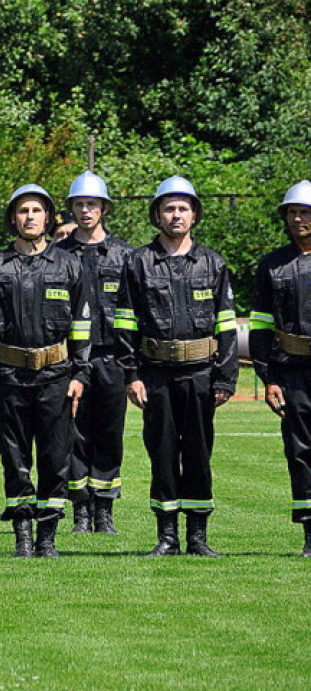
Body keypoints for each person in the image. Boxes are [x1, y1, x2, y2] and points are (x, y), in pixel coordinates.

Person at [114, 176, 238, 556]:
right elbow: (125, 324)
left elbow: (227, 326)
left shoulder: (213, 263)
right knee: (162, 454)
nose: (176, 215)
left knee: (199, 455)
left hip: (201, 373)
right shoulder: (137, 262)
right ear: (157, 214)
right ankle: (167, 536)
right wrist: (131, 376)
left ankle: (198, 537)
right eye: (169, 208)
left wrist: (225, 378)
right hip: (156, 375)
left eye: (183, 208)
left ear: (195, 214)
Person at [0, 185, 91, 558]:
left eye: (37, 210)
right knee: (14, 457)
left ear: (48, 217)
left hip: (56, 374)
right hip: (9, 376)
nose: (30, 217)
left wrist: (80, 374)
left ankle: (47, 536)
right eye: (23, 211)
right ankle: (22, 534)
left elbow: (82, 327)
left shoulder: (69, 266)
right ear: (13, 218)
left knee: (55, 457)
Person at [57, 171, 134, 534]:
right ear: (71, 209)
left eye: (92, 204)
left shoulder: (126, 256)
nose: (86, 211)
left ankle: (104, 509)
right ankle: (80, 511)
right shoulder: (57, 255)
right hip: (70, 361)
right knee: (72, 435)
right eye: (79, 204)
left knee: (109, 434)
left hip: (112, 357)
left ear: (104, 208)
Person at [250, 180, 311, 556]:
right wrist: (269, 378)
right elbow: (260, 327)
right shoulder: (272, 265)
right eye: (292, 212)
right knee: (300, 451)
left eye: (304, 212)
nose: (298, 218)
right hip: (292, 372)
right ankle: (310, 533)